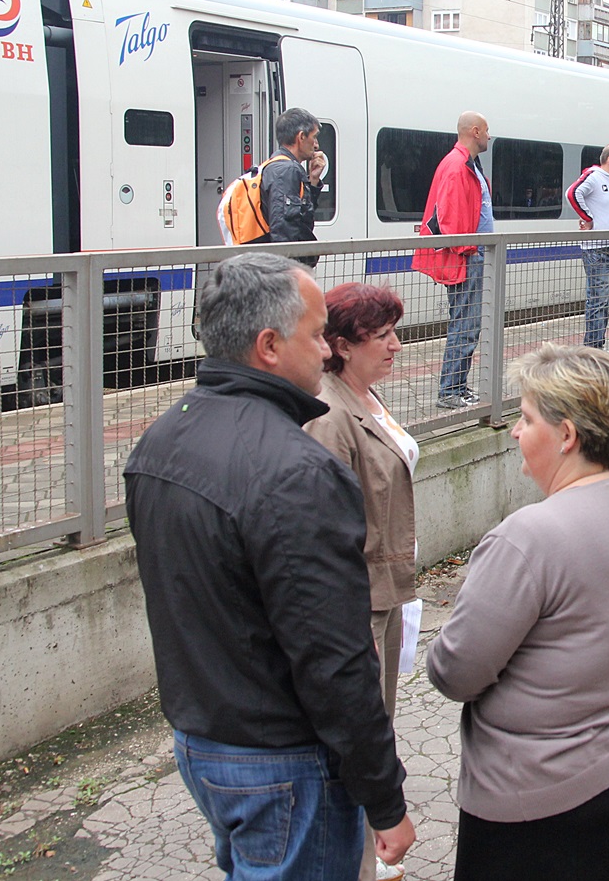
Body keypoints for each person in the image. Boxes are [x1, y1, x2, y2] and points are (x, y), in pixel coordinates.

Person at [124, 253, 415, 879]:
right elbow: (334, 656)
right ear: (269, 346)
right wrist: (384, 798)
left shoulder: (161, 439)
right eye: (317, 335)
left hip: (203, 739)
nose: (326, 350)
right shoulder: (297, 471)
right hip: (283, 762)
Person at [427, 345, 609, 880]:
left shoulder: (526, 538)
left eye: (527, 419)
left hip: (544, 805)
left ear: (566, 435)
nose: (514, 432)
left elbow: (456, 672)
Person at [303, 282, 419, 881]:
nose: (396, 346)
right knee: (361, 737)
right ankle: (359, 862)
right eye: (383, 336)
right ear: (343, 346)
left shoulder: (365, 395)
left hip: (388, 590)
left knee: (378, 727)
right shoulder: (330, 416)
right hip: (362, 601)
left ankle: (370, 857)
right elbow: (328, 529)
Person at [412, 111, 493, 409]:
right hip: (468, 256)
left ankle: (458, 386)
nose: (489, 136)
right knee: (466, 324)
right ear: (475, 131)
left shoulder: (464, 164)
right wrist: (468, 248)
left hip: (471, 254)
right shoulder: (458, 166)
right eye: (486, 130)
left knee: (468, 324)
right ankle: (450, 391)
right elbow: (449, 216)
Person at [565, 143, 609, 350]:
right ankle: (592, 349)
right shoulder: (594, 177)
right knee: (598, 301)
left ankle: (597, 346)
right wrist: (587, 218)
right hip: (598, 250)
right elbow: (572, 193)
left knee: (608, 301)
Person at [263, 107, 329, 265]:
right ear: (301, 137)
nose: (316, 145)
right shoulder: (287, 170)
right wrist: (291, 270)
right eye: (314, 137)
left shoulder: (276, 165)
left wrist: (313, 181)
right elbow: (284, 228)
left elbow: (300, 213)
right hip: (282, 269)